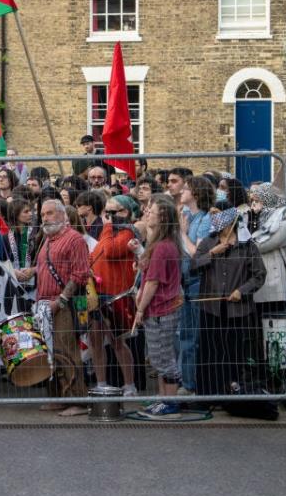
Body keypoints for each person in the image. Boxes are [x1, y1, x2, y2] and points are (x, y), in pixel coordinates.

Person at [16, 199, 90, 416]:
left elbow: (80, 274)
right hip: (43, 304)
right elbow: (47, 266)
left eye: (49, 213)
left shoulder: (74, 239)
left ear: (62, 215)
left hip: (62, 306)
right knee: (50, 352)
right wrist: (32, 271)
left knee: (66, 351)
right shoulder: (48, 239)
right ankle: (58, 397)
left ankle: (78, 401)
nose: (45, 218)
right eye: (43, 214)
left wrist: (61, 301)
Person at [191, 207, 266, 397]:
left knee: (235, 352)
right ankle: (211, 392)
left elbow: (259, 275)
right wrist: (213, 253)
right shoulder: (209, 242)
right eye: (212, 214)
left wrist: (242, 291)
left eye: (217, 214)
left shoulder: (247, 245)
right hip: (212, 309)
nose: (213, 218)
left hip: (238, 310)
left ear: (230, 219)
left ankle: (235, 393)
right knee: (212, 352)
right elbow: (192, 266)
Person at [130, 195, 184, 419]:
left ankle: (171, 403)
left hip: (161, 309)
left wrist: (140, 309)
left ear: (162, 217)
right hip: (159, 309)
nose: (147, 213)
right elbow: (148, 271)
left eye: (151, 211)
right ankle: (164, 400)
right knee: (159, 356)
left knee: (163, 356)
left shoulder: (163, 247)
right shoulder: (161, 244)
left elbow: (152, 281)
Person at [87, 196, 140, 397]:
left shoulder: (127, 232)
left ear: (125, 212)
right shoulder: (108, 232)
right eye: (105, 213)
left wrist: (107, 227)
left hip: (115, 295)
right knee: (96, 340)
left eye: (112, 212)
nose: (107, 216)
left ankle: (130, 385)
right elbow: (97, 254)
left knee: (117, 341)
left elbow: (109, 251)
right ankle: (101, 383)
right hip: (98, 294)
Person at [177, 176, 215, 395]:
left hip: (198, 282)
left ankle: (191, 386)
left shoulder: (206, 219)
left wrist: (182, 233)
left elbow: (196, 253)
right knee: (185, 335)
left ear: (197, 193)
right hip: (186, 281)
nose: (182, 190)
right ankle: (186, 381)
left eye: (187, 188)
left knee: (192, 336)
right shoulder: (189, 216)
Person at [249, 183, 286, 313]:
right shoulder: (255, 217)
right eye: (253, 201)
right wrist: (253, 218)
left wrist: (246, 243)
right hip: (254, 280)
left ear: (269, 198)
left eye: (258, 200)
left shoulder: (284, 219)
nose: (254, 204)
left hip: (274, 282)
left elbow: (261, 245)